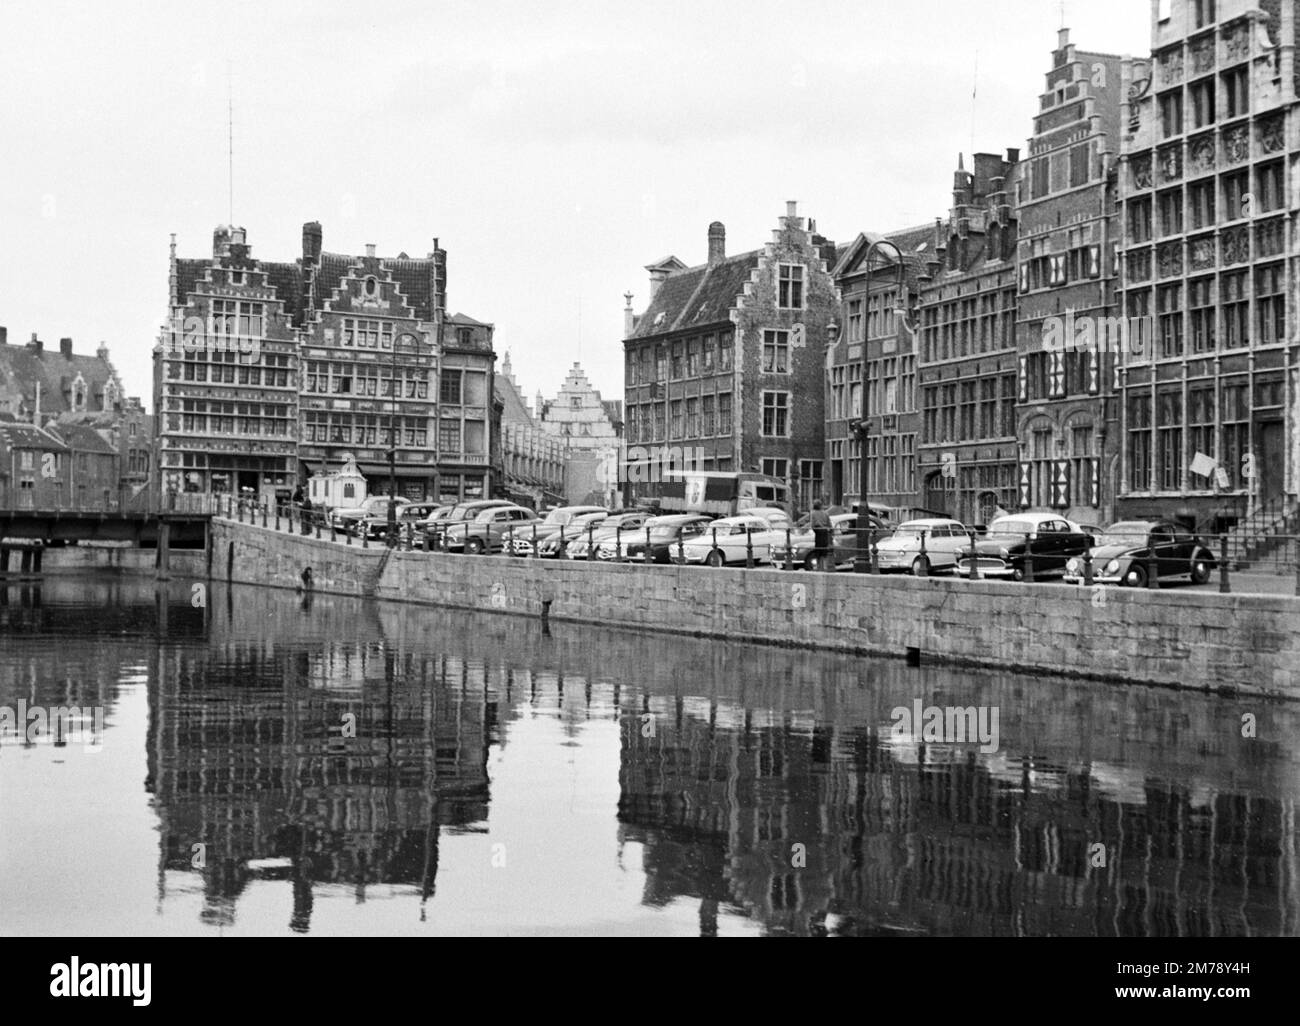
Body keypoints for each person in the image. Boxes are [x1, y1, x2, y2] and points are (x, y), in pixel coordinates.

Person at [809, 500, 833, 569]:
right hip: (825, 532)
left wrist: (815, 530)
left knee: (818, 550)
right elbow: (829, 525)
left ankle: (819, 567)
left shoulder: (813, 513)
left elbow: (812, 525)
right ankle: (825, 566)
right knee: (824, 551)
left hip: (818, 532)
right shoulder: (825, 513)